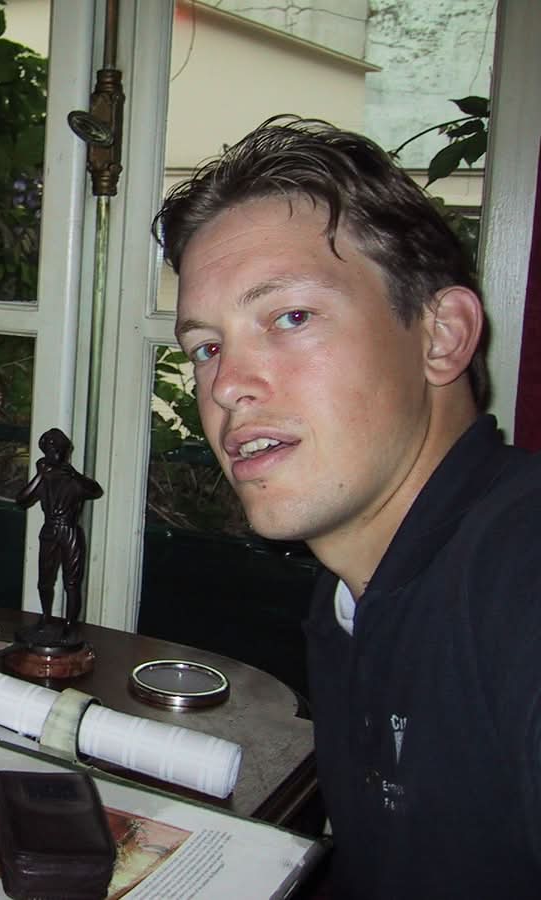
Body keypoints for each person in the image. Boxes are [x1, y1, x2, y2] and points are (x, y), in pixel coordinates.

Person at [153, 116, 541, 898]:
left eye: (290, 317)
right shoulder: (350, 595)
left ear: (443, 336)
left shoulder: (520, 571)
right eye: (206, 347)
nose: (226, 387)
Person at [15, 427, 103, 639]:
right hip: (49, 530)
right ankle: (45, 617)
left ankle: (70, 624)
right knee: (44, 580)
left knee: (71, 582)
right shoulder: (45, 478)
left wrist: (73, 474)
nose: (52, 454)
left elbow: (95, 490)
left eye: (56, 449)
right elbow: (22, 500)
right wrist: (39, 475)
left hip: (69, 530)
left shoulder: (72, 479)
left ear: (64, 451)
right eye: (48, 450)